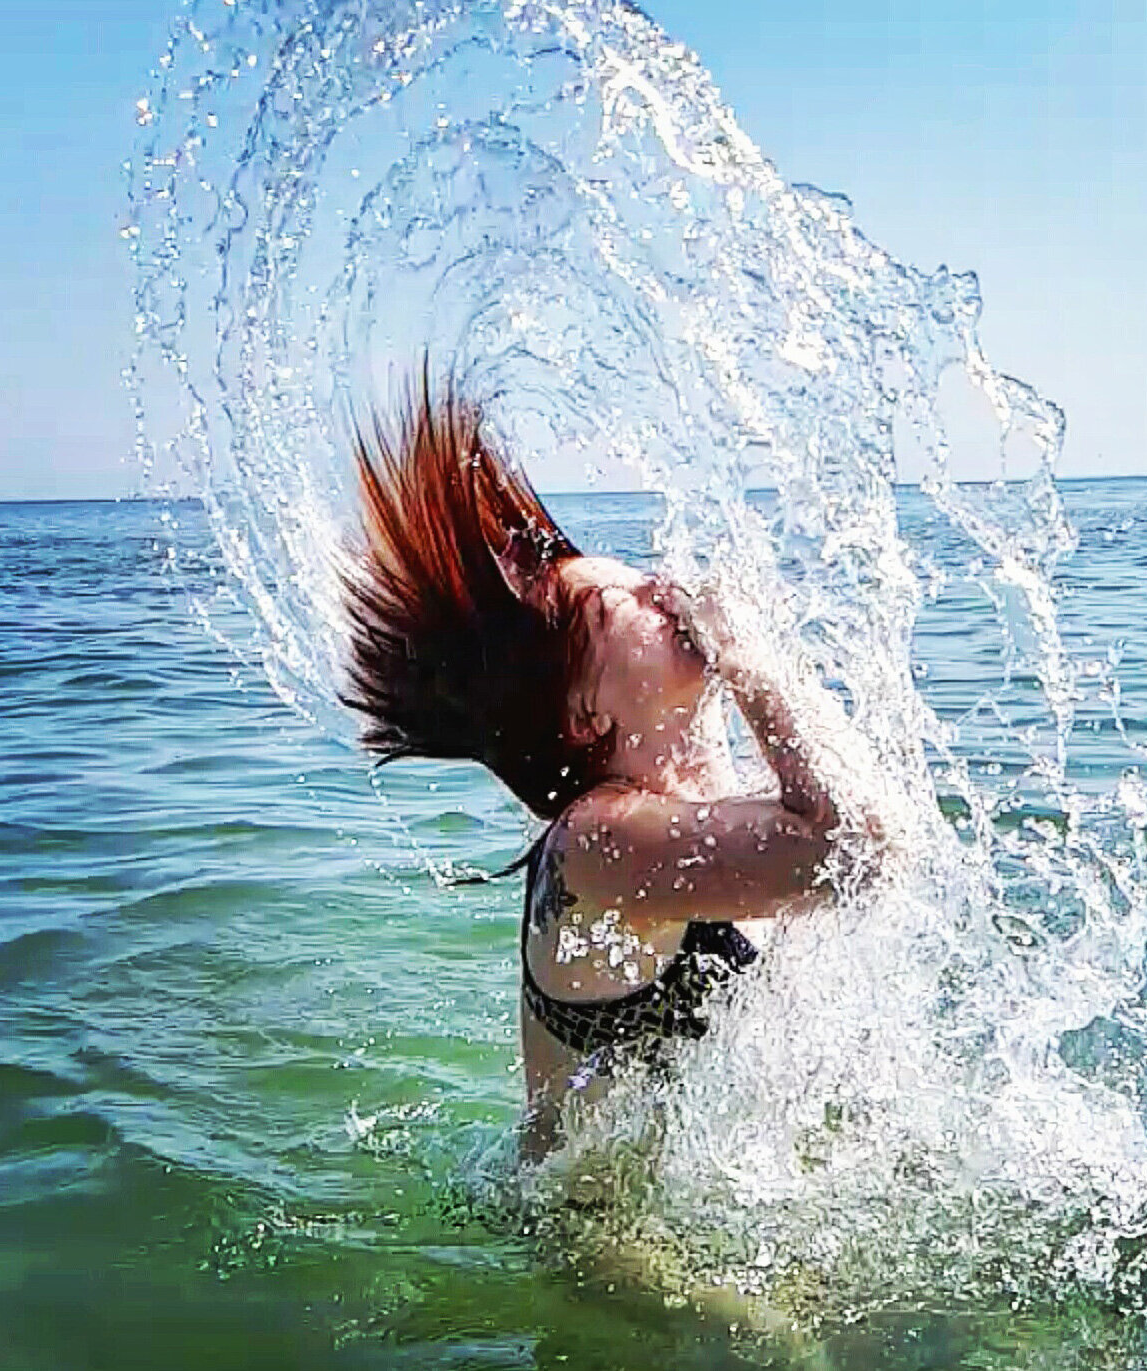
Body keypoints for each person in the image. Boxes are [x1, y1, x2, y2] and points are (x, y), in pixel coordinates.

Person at [341, 375, 853, 1155]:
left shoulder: (697, 804)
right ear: (588, 714)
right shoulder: (598, 840)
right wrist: (751, 663)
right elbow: (853, 850)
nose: (664, 590)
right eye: (631, 605)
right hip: (599, 1253)